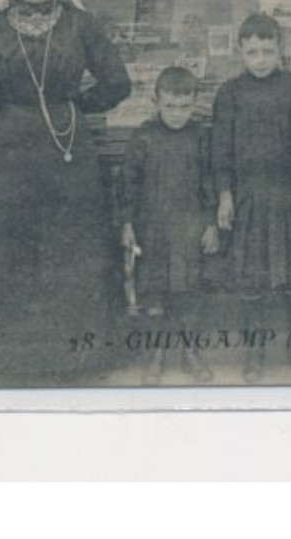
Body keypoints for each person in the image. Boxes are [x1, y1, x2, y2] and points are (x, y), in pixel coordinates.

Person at [0, 0, 132, 381]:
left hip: (68, 152)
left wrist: (75, 107)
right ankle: (14, 360)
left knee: (72, 249)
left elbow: (118, 83)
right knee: (12, 252)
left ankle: (77, 359)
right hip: (11, 153)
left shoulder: (81, 25)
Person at [212, 14, 291, 382]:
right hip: (248, 198)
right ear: (240, 52)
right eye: (252, 52)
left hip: (290, 197)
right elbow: (221, 150)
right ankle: (256, 349)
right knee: (251, 281)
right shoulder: (229, 93)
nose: (260, 60)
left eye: (267, 51)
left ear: (281, 50)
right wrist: (225, 195)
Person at [112, 67, 218, 385]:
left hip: (189, 227)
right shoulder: (143, 137)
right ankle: (156, 354)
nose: (176, 114)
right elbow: (127, 184)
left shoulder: (201, 137)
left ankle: (190, 352)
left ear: (195, 103)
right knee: (154, 294)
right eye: (170, 106)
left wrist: (211, 223)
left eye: (184, 106)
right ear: (156, 101)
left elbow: (210, 183)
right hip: (152, 228)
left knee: (189, 294)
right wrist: (127, 224)